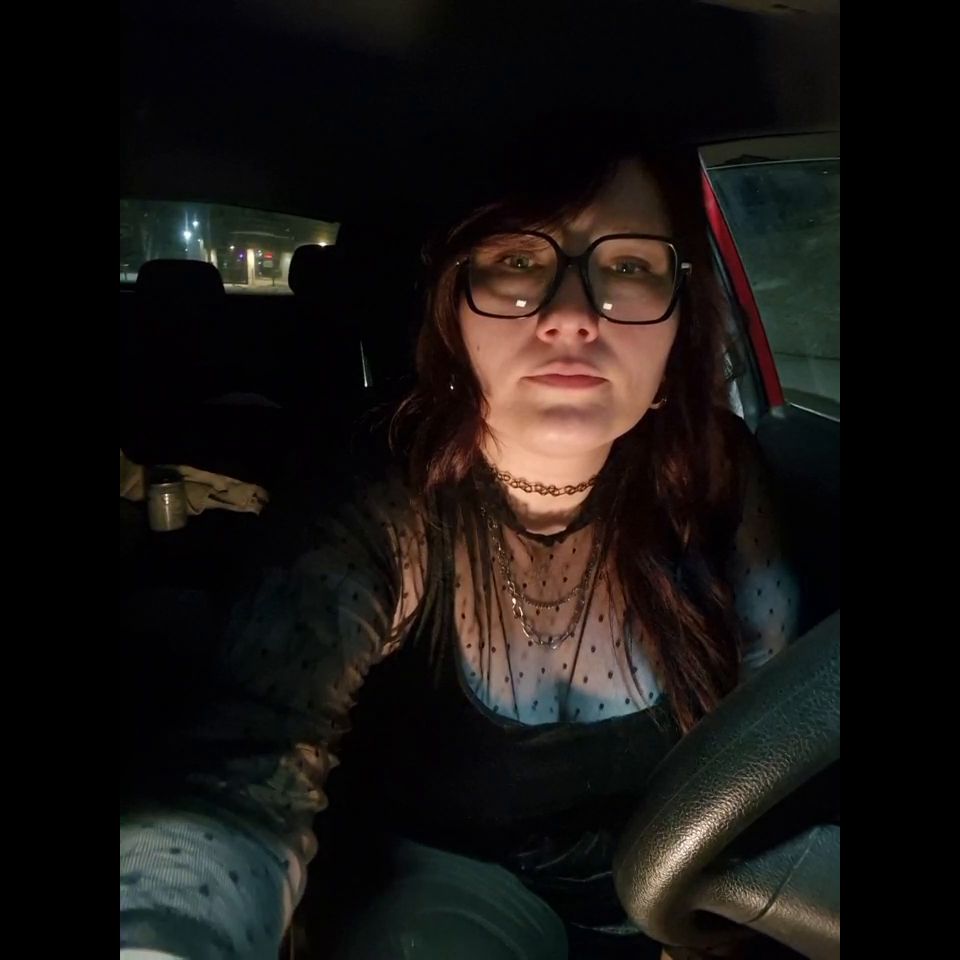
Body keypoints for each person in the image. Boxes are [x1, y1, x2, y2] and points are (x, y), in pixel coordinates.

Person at [120, 135, 799, 960]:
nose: (572, 314)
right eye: (518, 260)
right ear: (455, 311)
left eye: (627, 266)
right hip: (454, 891)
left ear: (680, 321)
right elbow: (249, 764)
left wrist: (733, 906)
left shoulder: (718, 474)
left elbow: (776, 720)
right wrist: (164, 936)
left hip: (688, 887)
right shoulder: (383, 501)